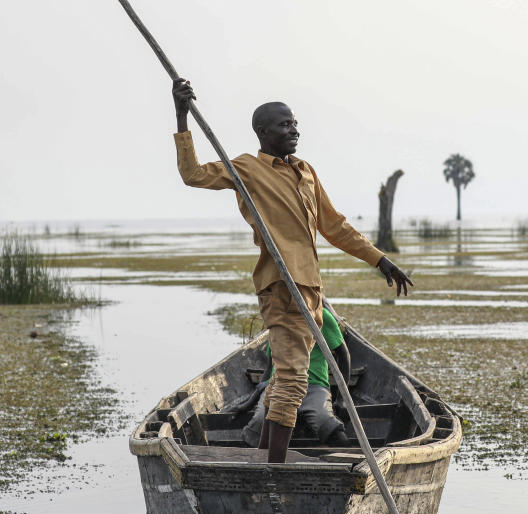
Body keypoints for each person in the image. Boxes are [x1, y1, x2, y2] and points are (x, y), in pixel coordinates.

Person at [171, 78, 412, 463]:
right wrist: (182, 116)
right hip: (281, 287)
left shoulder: (305, 172)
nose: (294, 130)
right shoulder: (247, 169)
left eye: (295, 123)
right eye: (284, 125)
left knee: (287, 379)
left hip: (310, 288)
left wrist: (380, 259)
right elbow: (193, 174)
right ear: (263, 133)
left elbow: (335, 227)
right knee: (292, 380)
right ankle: (274, 468)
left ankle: (267, 460)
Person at [243, 308, 352, 448]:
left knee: (328, 425)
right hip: (278, 386)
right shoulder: (278, 315)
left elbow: (343, 356)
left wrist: (342, 399)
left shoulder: (321, 315)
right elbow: (270, 365)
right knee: (257, 424)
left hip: (313, 386)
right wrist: (256, 395)